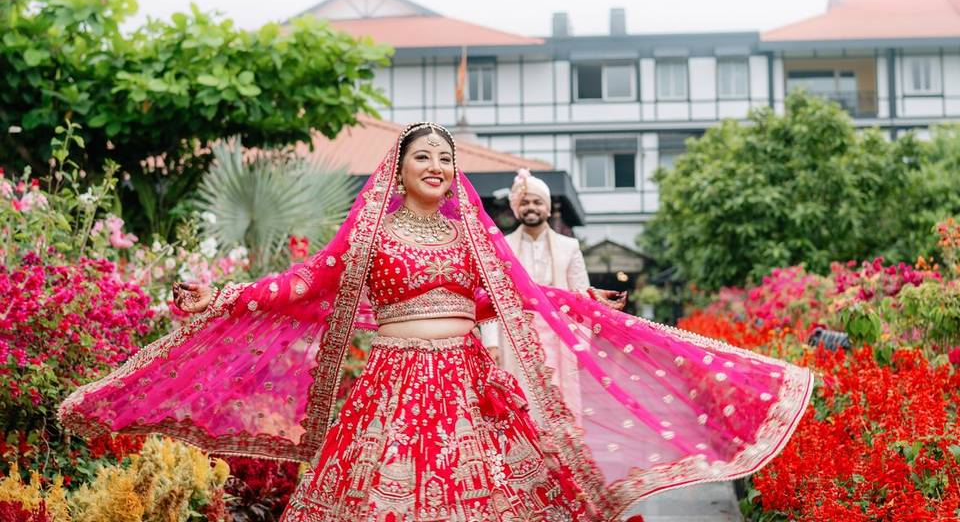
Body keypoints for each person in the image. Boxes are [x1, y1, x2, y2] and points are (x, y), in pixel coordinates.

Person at [60, 122, 814, 522]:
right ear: (398, 167)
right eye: (425, 156)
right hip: (390, 389)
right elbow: (305, 284)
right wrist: (229, 298)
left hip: (464, 384)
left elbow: (512, 299)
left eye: (446, 159)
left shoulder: (470, 236)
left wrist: (584, 309)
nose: (438, 167)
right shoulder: (371, 236)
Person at [480, 169, 624, 421]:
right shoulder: (503, 247)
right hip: (516, 335)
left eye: (537, 202)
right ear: (517, 208)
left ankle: (563, 456)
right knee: (521, 397)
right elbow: (494, 294)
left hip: (560, 336)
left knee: (562, 401)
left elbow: (581, 295)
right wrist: (491, 342)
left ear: (547, 208)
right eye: (524, 202)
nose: (531, 207)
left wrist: (583, 342)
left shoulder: (569, 247)